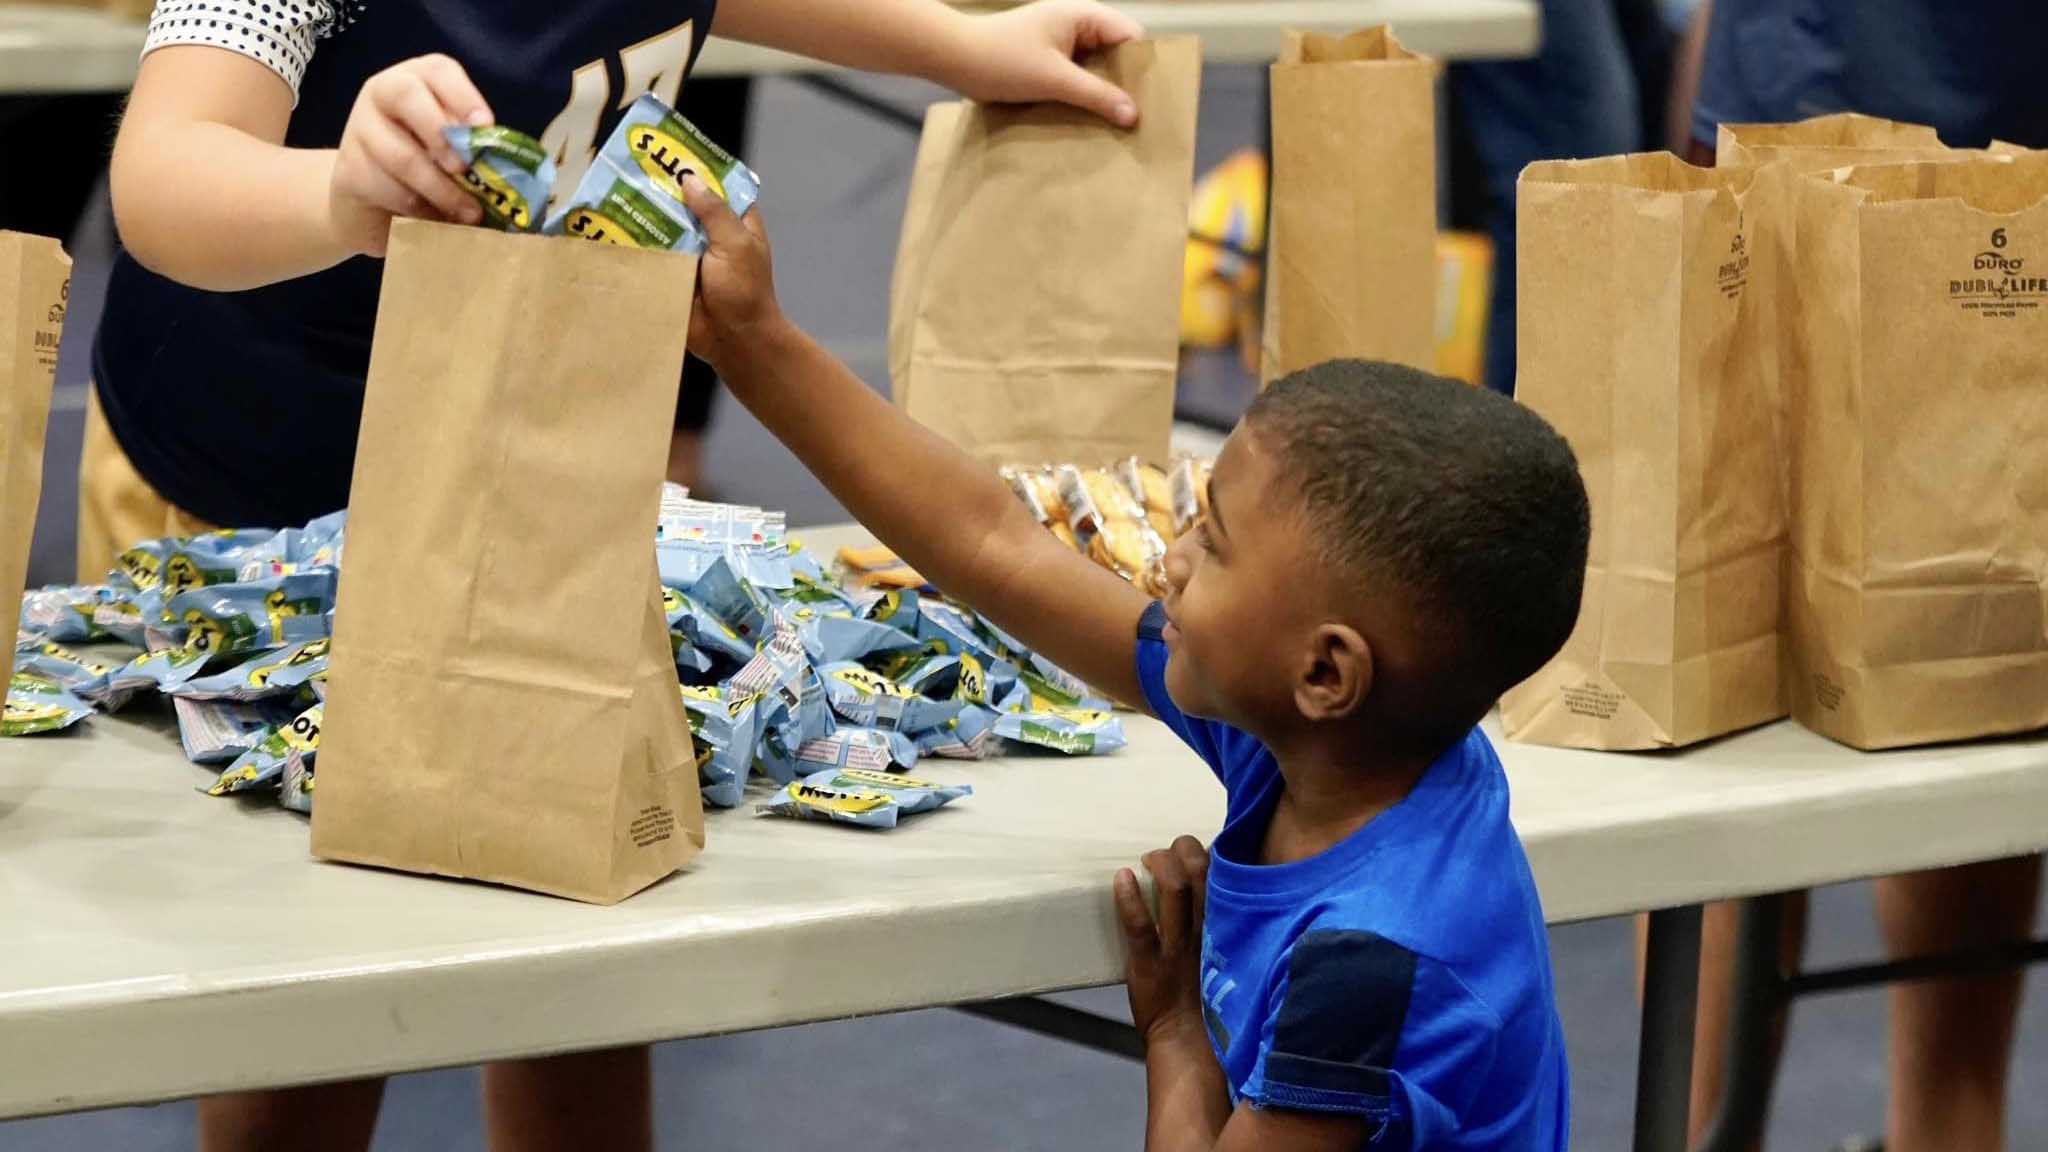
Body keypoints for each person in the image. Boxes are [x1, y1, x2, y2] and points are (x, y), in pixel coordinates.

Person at [86, 1, 1146, 1148]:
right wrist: (337, 193)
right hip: (251, 496)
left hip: (536, 444)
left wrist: (961, 43)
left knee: (588, 930)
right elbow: (162, 175)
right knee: (304, 985)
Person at [679, 172, 1589, 1148]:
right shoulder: (1351, 751)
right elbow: (998, 543)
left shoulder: (1363, 961)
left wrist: (1173, 1035)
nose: (1173, 555)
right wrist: (754, 344)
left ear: (1326, 674)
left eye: (1216, 540)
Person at [1680, 4, 2046, 1150]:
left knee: (1738, 677)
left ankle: (1706, 1133)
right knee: (1958, 657)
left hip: (1814, 82)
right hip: (1926, 102)